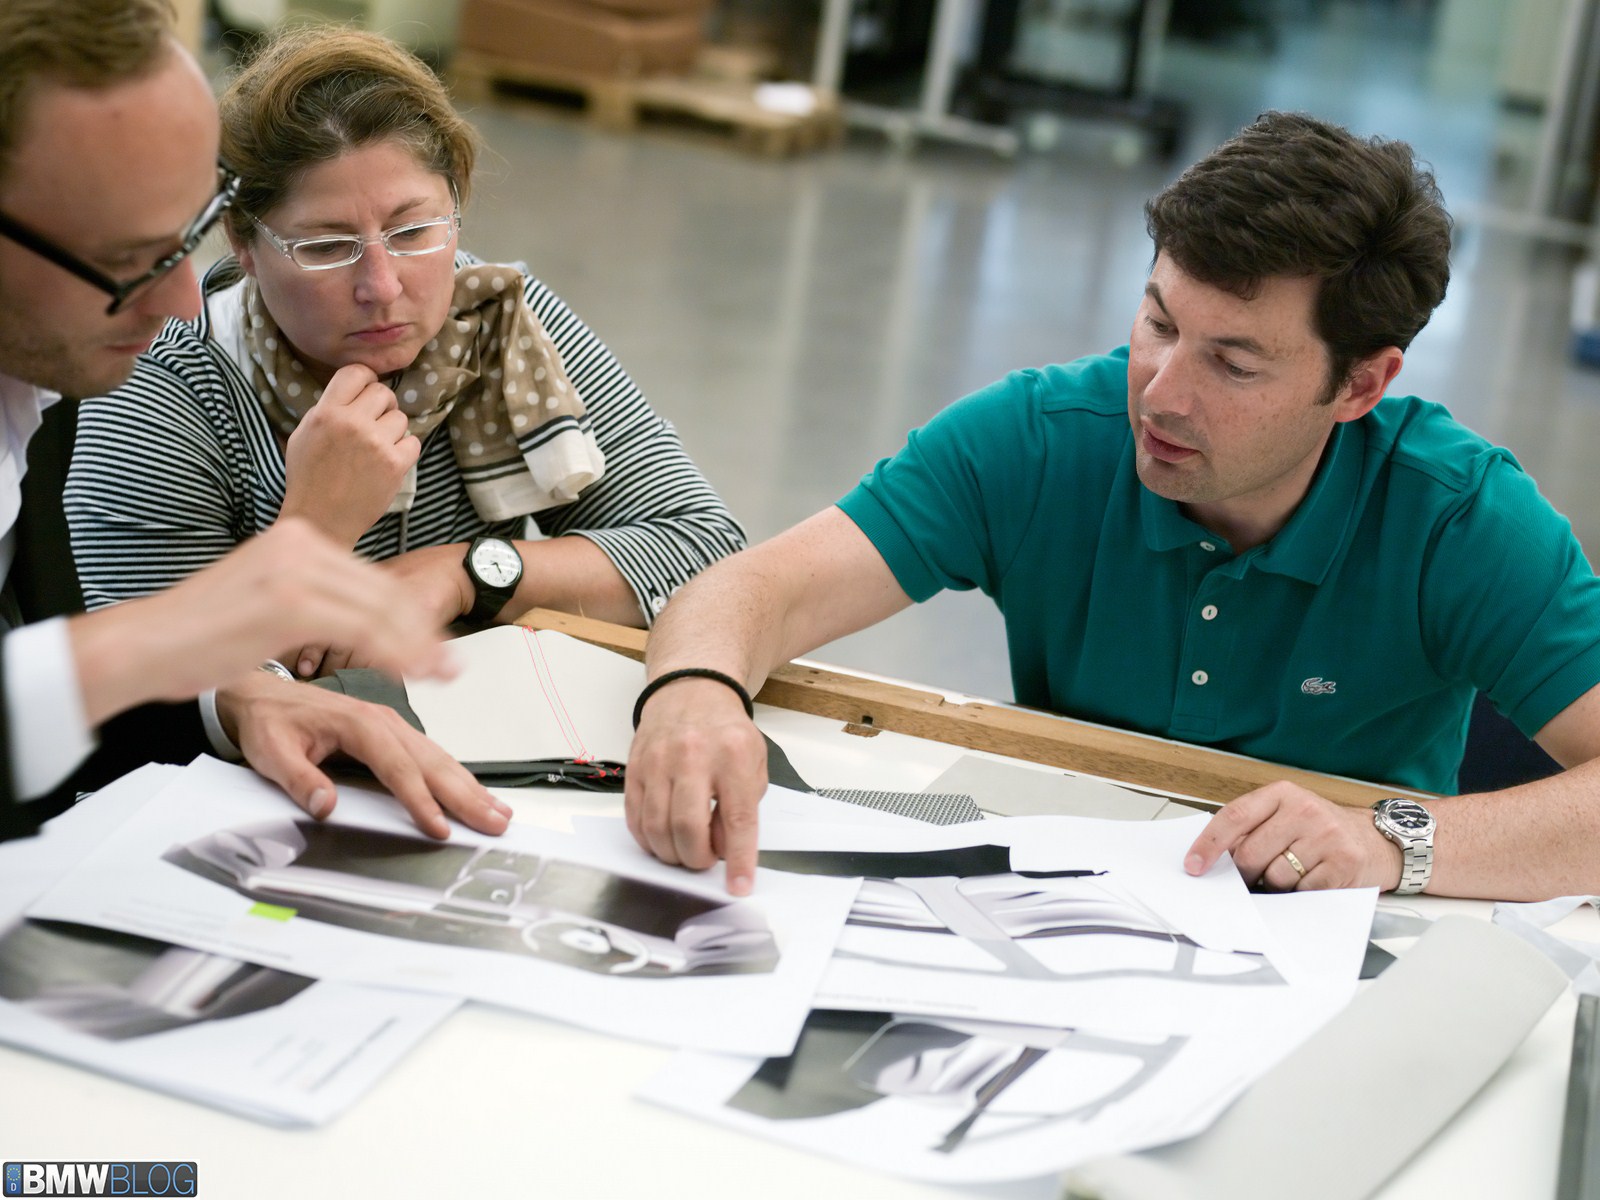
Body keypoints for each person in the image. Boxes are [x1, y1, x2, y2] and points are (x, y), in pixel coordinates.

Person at [624, 111, 1600, 903]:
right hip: (1061, 900)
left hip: (1345, 928)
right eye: (1158, 322)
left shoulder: (1459, 519)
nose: (1161, 395)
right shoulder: (1042, 437)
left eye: (1233, 363)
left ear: (1359, 386)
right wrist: (695, 693)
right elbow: (756, 590)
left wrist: (1389, 843)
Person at [65, 26, 744, 684]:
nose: (383, 287)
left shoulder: (499, 324)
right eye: (327, 247)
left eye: (414, 230)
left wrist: (461, 574)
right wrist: (315, 528)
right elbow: (148, 690)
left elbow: (704, 550)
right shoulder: (169, 385)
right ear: (243, 245)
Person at [0, 0, 510, 843]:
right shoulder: (149, 386)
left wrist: (234, 700)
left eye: (185, 239)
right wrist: (195, 624)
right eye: (126, 262)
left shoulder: (44, 377)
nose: (179, 302)